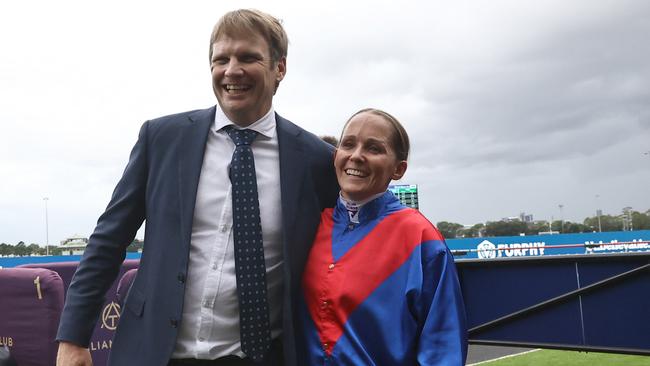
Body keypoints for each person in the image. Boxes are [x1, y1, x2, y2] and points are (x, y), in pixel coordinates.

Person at [56, 9, 338, 366]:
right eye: (221, 59)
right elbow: (108, 240)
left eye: (248, 57)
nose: (232, 70)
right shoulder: (161, 139)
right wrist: (72, 337)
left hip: (261, 357)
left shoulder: (315, 161)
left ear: (279, 68)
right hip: (155, 353)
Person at [299, 109, 467, 365]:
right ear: (336, 156)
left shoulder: (420, 237)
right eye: (348, 144)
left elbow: (443, 345)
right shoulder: (309, 224)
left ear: (398, 170)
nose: (356, 156)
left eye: (374, 149)